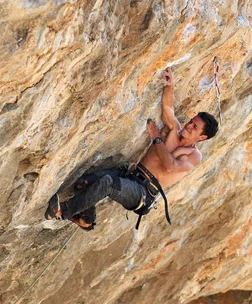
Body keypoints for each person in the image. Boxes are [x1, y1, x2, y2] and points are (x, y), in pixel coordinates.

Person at [45, 67, 219, 230]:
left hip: (143, 193)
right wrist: (170, 85)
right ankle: (86, 219)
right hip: (131, 175)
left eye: (194, 127)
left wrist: (157, 139)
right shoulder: (175, 129)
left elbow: (170, 166)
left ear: (202, 137)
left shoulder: (194, 156)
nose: (189, 126)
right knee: (84, 184)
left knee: (107, 183)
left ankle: (62, 212)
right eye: (191, 121)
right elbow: (168, 107)